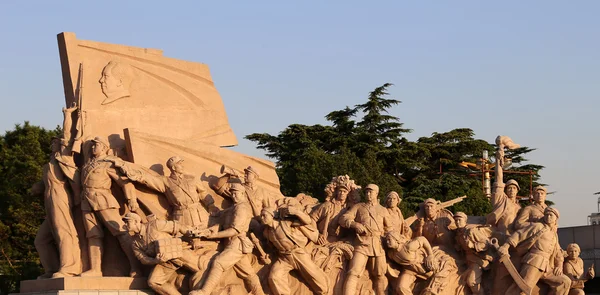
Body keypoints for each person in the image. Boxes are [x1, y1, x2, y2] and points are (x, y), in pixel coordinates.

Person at [79, 136, 142, 277]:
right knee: (93, 235)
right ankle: (95, 270)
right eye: (92, 146)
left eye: (96, 145)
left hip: (103, 199)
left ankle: (136, 266)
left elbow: (124, 182)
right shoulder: (88, 164)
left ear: (104, 147)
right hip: (86, 201)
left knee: (121, 231)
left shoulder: (109, 163)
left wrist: (131, 199)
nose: (93, 148)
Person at [34, 104, 82, 279]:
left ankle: (69, 268)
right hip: (50, 199)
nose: (54, 143)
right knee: (41, 240)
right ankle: (52, 269)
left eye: (57, 141)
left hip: (60, 196)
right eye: (54, 141)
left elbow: (67, 136)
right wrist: (38, 187)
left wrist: (67, 115)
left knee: (64, 231)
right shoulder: (51, 162)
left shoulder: (64, 158)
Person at [190, 183, 264, 295]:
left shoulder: (242, 208)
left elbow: (235, 230)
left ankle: (205, 291)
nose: (233, 196)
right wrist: (206, 231)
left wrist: (215, 235)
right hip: (229, 243)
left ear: (243, 193)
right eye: (232, 193)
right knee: (248, 273)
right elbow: (221, 223)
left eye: (236, 193)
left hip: (237, 243)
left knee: (218, 263)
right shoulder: (232, 208)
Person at [497, 207, 571, 295]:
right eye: (546, 215)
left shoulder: (554, 235)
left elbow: (558, 252)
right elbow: (519, 234)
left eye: (551, 215)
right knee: (523, 288)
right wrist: (506, 246)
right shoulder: (538, 226)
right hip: (534, 262)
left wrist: (559, 266)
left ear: (556, 219)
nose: (548, 217)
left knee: (565, 282)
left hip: (547, 267)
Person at [124, 212, 201, 295]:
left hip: (178, 252)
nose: (125, 224)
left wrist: (194, 238)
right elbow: (143, 259)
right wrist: (156, 260)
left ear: (136, 221)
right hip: (164, 262)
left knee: (200, 269)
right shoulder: (135, 243)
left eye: (128, 222)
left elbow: (177, 226)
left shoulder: (154, 225)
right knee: (153, 282)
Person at [260, 207, 328, 295]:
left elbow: (307, 221)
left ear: (272, 215)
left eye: (264, 215)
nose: (262, 218)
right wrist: (267, 256)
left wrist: (296, 211)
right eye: (261, 216)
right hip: (284, 258)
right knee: (274, 277)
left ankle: (325, 292)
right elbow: (272, 248)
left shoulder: (285, 223)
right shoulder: (266, 233)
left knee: (313, 275)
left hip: (297, 253)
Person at [340, 184, 392, 295]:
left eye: (371, 192)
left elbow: (389, 228)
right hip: (362, 243)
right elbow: (344, 218)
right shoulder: (359, 207)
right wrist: (354, 224)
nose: (368, 194)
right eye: (366, 192)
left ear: (376, 193)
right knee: (353, 272)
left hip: (378, 245)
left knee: (380, 275)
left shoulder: (383, 210)